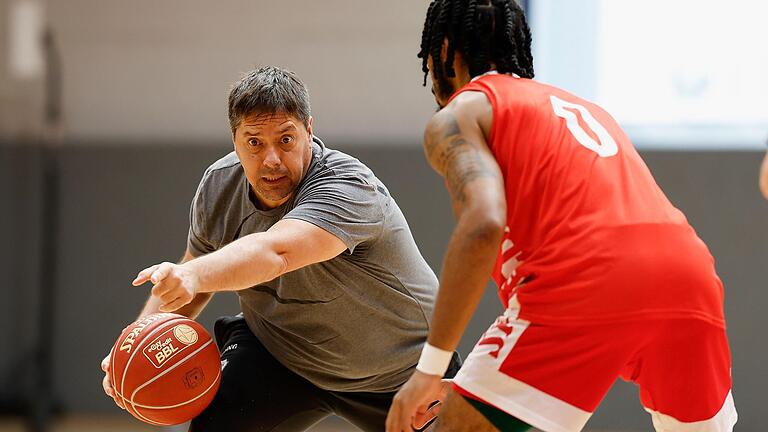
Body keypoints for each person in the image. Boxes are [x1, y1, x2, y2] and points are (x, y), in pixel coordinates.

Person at [386, 1, 737, 431]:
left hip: (586, 277)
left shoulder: (463, 112)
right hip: (691, 280)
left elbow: (483, 224)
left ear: (444, 50)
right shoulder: (584, 107)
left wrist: (429, 369)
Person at [100, 66, 460, 432]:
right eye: (254, 142)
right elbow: (189, 276)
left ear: (309, 131)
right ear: (235, 140)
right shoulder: (219, 187)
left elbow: (276, 253)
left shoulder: (349, 185)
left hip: (400, 372)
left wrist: (193, 275)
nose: (271, 159)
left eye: (285, 140)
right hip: (281, 357)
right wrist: (133, 346)